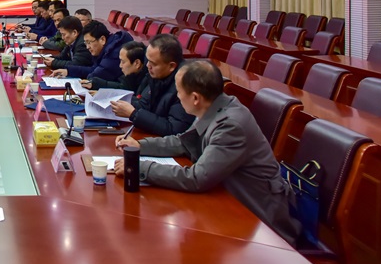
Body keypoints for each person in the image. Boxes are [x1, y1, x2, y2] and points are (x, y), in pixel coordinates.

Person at [113, 59, 301, 246]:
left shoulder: (231, 125)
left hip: (259, 222)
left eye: (179, 91)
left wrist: (139, 167)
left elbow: (198, 178)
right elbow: (184, 142)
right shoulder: (213, 105)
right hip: (227, 202)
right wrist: (140, 146)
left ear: (195, 98)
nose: (177, 96)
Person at [109, 34, 194, 135]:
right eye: (148, 60)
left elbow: (174, 129)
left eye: (153, 63)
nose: (147, 65)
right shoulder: (158, 75)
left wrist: (133, 114)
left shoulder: (186, 85)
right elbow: (144, 104)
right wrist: (115, 101)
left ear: (171, 66)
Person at [51, 20, 130, 83]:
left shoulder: (114, 52)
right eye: (86, 43)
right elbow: (94, 69)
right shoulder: (105, 49)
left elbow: (96, 75)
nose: (87, 47)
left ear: (102, 39)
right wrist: (68, 71)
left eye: (89, 42)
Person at [82, 40, 148, 91]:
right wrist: (94, 84)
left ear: (137, 63)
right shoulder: (132, 75)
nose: (120, 65)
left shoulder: (148, 84)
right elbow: (122, 87)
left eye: (123, 62)